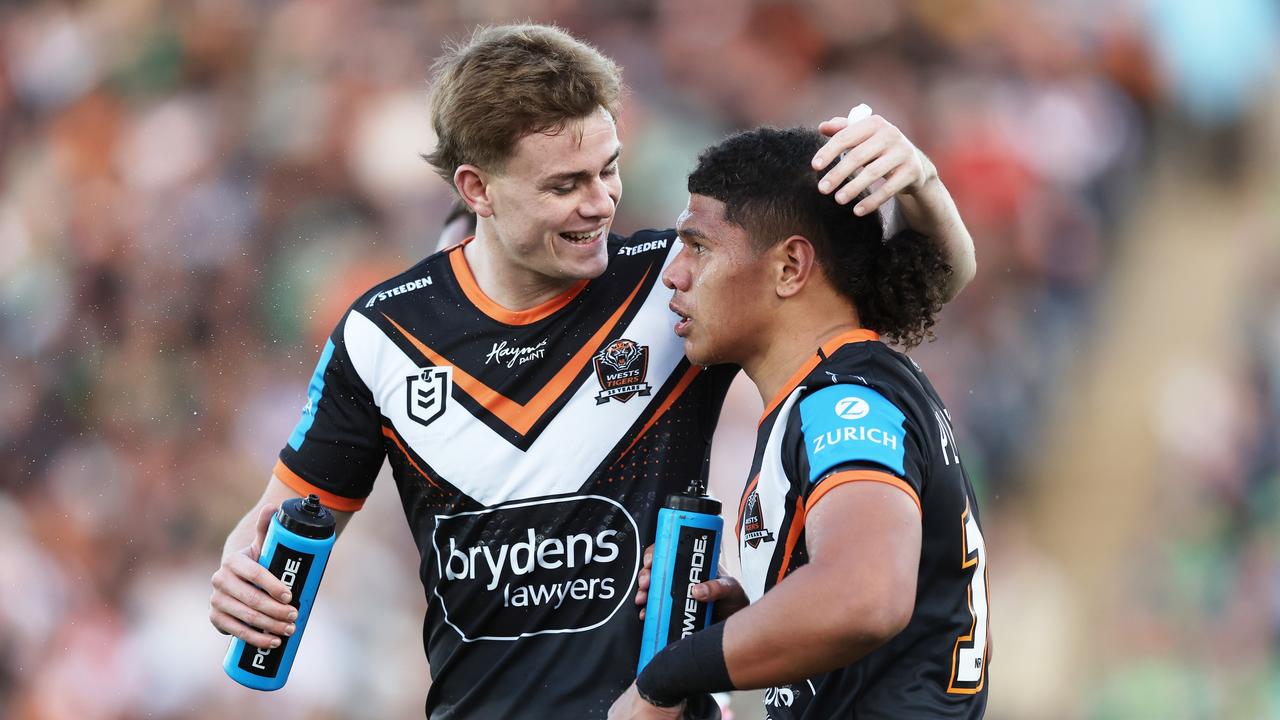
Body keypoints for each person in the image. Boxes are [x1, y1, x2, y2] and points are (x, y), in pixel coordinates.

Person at [208, 23, 977, 719]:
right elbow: (285, 524)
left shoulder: (673, 284)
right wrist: (241, 573)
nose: (601, 203)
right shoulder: (382, 336)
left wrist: (921, 186)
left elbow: (873, 302)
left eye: (608, 169)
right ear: (476, 188)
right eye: (564, 185)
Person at [610, 127, 989, 719]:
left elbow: (865, 597)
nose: (673, 274)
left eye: (698, 246)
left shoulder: (841, 404)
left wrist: (666, 679)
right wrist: (759, 611)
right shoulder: (842, 386)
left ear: (790, 267)